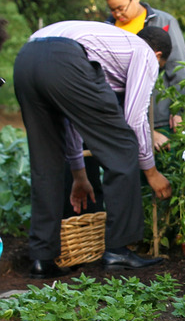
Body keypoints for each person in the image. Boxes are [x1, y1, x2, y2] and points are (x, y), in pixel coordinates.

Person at [13, 21, 173, 279]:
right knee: (123, 147)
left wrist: (79, 173)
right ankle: (119, 249)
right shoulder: (145, 53)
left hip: (26, 58)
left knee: (46, 162)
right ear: (158, 56)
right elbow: (134, 119)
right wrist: (151, 171)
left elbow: (74, 117)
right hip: (64, 59)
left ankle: (42, 258)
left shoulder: (108, 47)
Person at [100, 0, 185, 151]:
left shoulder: (163, 22)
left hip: (161, 120)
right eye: (112, 10)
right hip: (125, 123)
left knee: (167, 173)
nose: (118, 14)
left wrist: (180, 111)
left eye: (121, 8)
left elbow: (180, 69)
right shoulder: (107, 30)